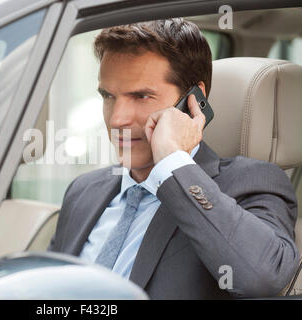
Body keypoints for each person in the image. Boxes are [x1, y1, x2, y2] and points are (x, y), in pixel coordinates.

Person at [48, 18, 300, 299]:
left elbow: (262, 279)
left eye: (141, 96)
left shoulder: (251, 183)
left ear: (193, 101)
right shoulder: (83, 191)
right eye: (108, 96)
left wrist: (174, 163)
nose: (117, 119)